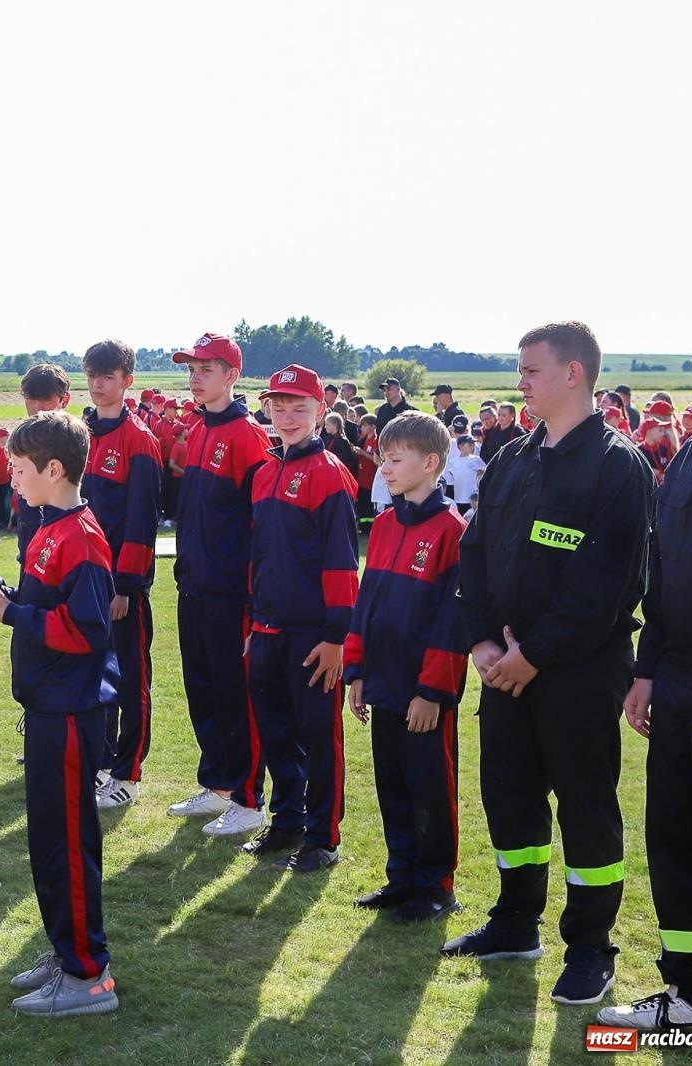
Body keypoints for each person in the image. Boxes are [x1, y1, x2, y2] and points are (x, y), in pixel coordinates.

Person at [450, 321, 655, 1007]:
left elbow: (604, 585)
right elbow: (473, 553)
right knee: (508, 795)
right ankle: (515, 922)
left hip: (576, 673)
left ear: (574, 373)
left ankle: (591, 947)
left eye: (531, 369)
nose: (520, 381)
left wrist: (531, 655)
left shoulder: (618, 466)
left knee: (586, 807)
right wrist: (482, 641)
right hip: (503, 669)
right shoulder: (513, 456)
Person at [596, 297, 692, 1048]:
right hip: (681, 690)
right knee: (680, 847)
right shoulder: (691, 453)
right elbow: (665, 575)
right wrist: (648, 669)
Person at [0, 411, 120, 1018]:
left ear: (55, 470)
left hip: (72, 712)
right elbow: (44, 601)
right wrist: (3, 592)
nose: (12, 479)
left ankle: (89, 975)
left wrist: (8, 613)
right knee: (49, 842)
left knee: (70, 845)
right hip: (47, 708)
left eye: (20, 470)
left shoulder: (80, 536)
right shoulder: (49, 528)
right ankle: (67, 950)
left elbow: (85, 631)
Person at [344, 412, 468, 922]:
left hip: (422, 693)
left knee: (429, 788)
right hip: (384, 682)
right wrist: (356, 669)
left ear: (431, 463)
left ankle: (435, 886)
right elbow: (366, 601)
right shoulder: (389, 523)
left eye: (395, 461)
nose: (384, 470)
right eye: (383, 460)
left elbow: (453, 620)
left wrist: (432, 692)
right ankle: (402, 877)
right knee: (392, 782)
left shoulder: (452, 532)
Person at [243, 364, 360, 873]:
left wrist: (338, 638)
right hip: (266, 628)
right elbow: (260, 558)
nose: (288, 416)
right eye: (279, 406)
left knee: (317, 734)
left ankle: (322, 838)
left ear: (320, 410)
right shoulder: (265, 472)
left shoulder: (329, 473)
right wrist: (252, 624)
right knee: (275, 731)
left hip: (313, 634)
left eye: (300, 407)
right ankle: (286, 819)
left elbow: (340, 562)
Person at [164, 334, 275, 835]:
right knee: (202, 689)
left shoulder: (247, 434)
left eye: (205, 369)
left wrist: (253, 599)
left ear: (231, 375)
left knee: (236, 696)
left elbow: (258, 523)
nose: (194, 377)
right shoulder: (199, 427)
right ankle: (219, 786)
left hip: (231, 593)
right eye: (191, 368)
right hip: (196, 585)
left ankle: (250, 800)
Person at [79, 340, 162, 809]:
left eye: (108, 376)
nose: (98, 384)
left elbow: (142, 520)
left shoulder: (140, 441)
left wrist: (128, 586)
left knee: (129, 679)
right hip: (83, 580)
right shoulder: (78, 433)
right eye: (92, 375)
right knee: (93, 673)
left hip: (119, 586)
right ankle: (101, 764)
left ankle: (128, 773)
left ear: (127, 381)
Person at [15, 364, 72, 564]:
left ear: (64, 400)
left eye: (46, 399)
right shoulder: (21, 442)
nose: (38, 407)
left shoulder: (76, 444)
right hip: (29, 542)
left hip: (63, 549)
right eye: (31, 398)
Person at [448, 436, 486, 516]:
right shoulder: (453, 462)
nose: (472, 446)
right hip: (458, 497)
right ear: (460, 446)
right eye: (470, 444)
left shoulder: (475, 459)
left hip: (472, 498)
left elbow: (485, 470)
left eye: (473, 444)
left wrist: (478, 473)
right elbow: (451, 478)